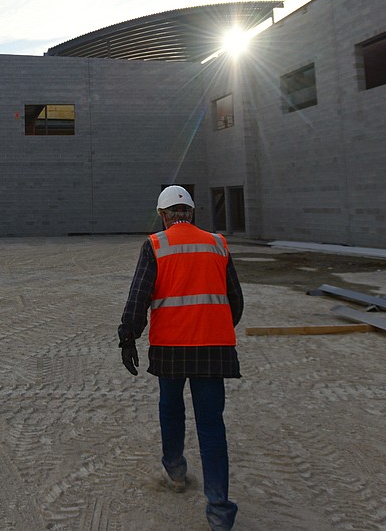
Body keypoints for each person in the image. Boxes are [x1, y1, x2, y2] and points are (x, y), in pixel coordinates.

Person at [118, 185, 244, 531]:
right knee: (211, 424)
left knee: (171, 409)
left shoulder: (156, 245)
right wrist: (213, 327)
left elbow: (139, 294)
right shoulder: (218, 244)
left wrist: (128, 336)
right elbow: (236, 300)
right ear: (191, 212)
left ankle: (175, 470)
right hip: (213, 351)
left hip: (171, 349)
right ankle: (219, 510)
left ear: (163, 216)